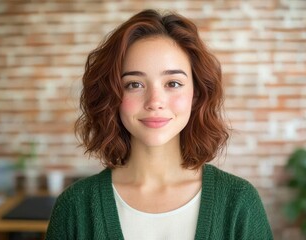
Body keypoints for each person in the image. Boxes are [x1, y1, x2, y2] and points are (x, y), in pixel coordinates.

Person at [45, 9, 273, 240]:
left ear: (196, 94)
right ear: (112, 95)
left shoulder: (239, 202)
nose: (155, 102)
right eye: (134, 84)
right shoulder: (75, 207)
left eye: (173, 83)